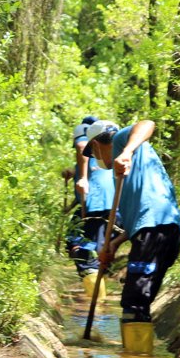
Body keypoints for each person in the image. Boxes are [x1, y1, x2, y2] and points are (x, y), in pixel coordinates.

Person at [83, 119, 180, 354]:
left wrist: (126, 152)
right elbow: (136, 221)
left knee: (134, 302)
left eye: (93, 151)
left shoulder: (123, 142)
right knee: (137, 301)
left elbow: (147, 124)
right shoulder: (120, 177)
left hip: (157, 228)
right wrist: (114, 244)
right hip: (158, 231)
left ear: (98, 144)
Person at [66, 116, 115, 295]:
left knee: (85, 252)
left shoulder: (84, 137)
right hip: (105, 204)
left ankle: (98, 303)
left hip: (96, 204)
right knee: (85, 245)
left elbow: (81, 146)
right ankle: (96, 296)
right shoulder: (99, 155)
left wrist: (82, 178)